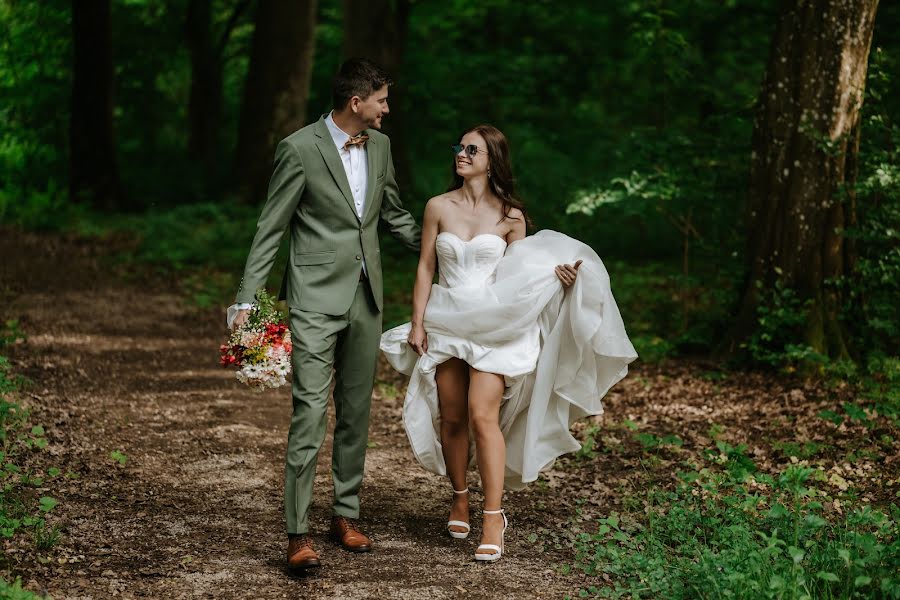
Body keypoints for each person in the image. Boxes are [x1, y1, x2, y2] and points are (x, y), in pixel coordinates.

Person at [380, 125, 637, 562]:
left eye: (470, 149)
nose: (460, 153)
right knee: (453, 415)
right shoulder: (438, 207)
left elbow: (522, 271)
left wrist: (556, 278)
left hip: (495, 324)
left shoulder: (511, 216)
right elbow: (426, 267)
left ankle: (493, 516)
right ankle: (459, 496)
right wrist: (418, 322)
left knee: (484, 415)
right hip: (448, 320)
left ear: (492, 159)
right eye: (458, 147)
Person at [228, 58, 420, 572]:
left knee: (357, 411)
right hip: (313, 298)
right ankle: (297, 532)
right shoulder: (298, 149)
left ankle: (345, 514)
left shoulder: (380, 147)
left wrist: (457, 248)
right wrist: (246, 302)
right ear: (357, 103)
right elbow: (270, 229)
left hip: (367, 298)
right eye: (381, 100)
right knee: (310, 412)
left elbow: (395, 215)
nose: (387, 109)